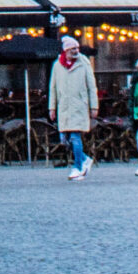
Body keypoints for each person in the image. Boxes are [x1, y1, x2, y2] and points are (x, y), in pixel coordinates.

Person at [48, 36, 97, 180]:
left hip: (78, 106)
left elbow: (91, 86)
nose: (76, 51)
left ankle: (78, 167)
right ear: (66, 50)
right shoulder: (57, 65)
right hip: (64, 106)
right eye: (72, 49)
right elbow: (53, 87)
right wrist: (52, 108)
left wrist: (94, 106)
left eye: (77, 48)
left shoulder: (84, 62)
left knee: (75, 137)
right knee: (64, 138)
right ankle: (85, 159)